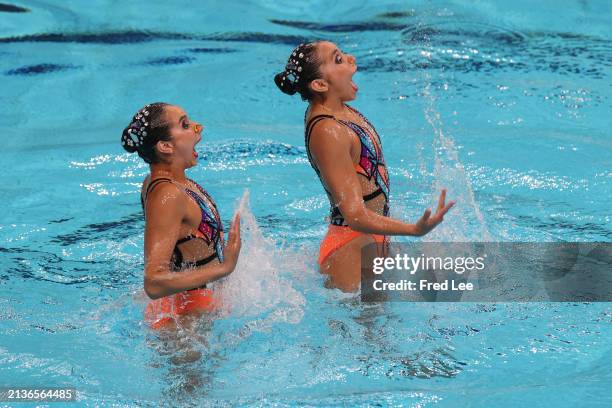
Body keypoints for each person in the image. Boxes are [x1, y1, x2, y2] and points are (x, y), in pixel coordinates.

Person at [274, 41, 455, 292]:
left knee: (381, 327)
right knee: (358, 328)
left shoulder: (340, 111)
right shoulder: (328, 130)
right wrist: (413, 230)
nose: (351, 59)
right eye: (338, 60)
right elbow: (355, 215)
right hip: (351, 250)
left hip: (369, 239)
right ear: (320, 84)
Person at [121, 102, 241, 328]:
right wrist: (224, 268)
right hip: (185, 321)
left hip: (192, 309)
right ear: (166, 146)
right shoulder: (167, 195)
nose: (198, 127)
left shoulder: (172, 183)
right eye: (185, 125)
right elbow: (154, 282)